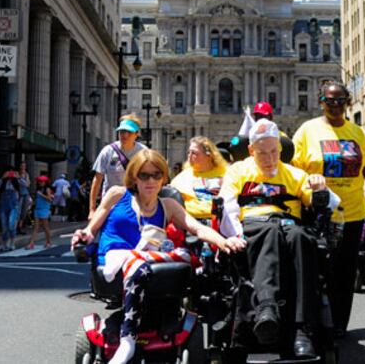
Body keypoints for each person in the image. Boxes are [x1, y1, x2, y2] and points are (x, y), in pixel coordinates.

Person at [71, 149, 245, 364]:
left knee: (164, 259)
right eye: (144, 175)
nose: (150, 180)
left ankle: (135, 334)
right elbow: (92, 227)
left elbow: (198, 229)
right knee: (140, 263)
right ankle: (127, 340)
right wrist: (84, 235)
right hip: (115, 256)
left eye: (156, 175)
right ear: (134, 177)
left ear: (163, 178)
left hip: (145, 258)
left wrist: (224, 241)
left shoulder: (168, 205)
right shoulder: (117, 194)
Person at [220, 119, 338, 359]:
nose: (269, 158)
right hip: (254, 227)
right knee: (271, 232)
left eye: (274, 151)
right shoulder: (238, 171)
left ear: (281, 149)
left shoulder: (294, 173)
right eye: (262, 153)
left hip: (288, 226)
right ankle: (267, 308)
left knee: (301, 238)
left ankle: (301, 330)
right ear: (251, 150)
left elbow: (332, 203)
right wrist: (234, 236)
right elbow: (227, 207)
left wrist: (320, 188)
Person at [292, 81, 365, 337]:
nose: (335, 105)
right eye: (329, 101)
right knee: (317, 269)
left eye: (340, 100)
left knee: (344, 272)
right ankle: (312, 321)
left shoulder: (357, 133)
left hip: (353, 213)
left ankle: (339, 325)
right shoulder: (307, 131)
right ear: (320, 102)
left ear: (348, 102)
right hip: (317, 214)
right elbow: (295, 170)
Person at [88, 113, 147, 218]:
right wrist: (92, 210)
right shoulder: (107, 151)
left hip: (135, 204)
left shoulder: (144, 152)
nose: (124, 135)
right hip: (110, 205)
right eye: (122, 131)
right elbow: (97, 181)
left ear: (136, 134)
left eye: (129, 132)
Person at [170, 136, 228, 220]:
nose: (190, 156)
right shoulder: (181, 178)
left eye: (194, 153)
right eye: (188, 152)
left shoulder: (227, 174)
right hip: (193, 221)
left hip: (222, 220)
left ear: (209, 155)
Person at [0, 166, 28, 251]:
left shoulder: (16, 182)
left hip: (14, 205)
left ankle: (12, 242)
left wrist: (18, 177)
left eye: (11, 172)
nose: (10, 174)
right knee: (4, 226)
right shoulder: (3, 182)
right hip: (4, 205)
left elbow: (26, 184)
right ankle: (4, 244)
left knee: (11, 224)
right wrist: (3, 178)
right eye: (8, 172)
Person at [26, 175, 53, 249]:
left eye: (42, 181)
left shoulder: (47, 189)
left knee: (45, 227)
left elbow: (50, 199)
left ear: (45, 182)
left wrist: (41, 195)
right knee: (36, 227)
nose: (40, 183)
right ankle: (32, 243)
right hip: (38, 209)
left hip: (44, 209)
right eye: (39, 181)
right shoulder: (38, 190)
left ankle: (48, 242)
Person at [16, 161, 32, 234]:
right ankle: (15, 227)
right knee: (17, 211)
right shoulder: (17, 173)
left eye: (24, 166)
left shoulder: (26, 174)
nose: (23, 167)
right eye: (22, 165)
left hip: (25, 193)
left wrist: (22, 179)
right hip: (18, 194)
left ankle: (20, 227)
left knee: (24, 211)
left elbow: (27, 184)